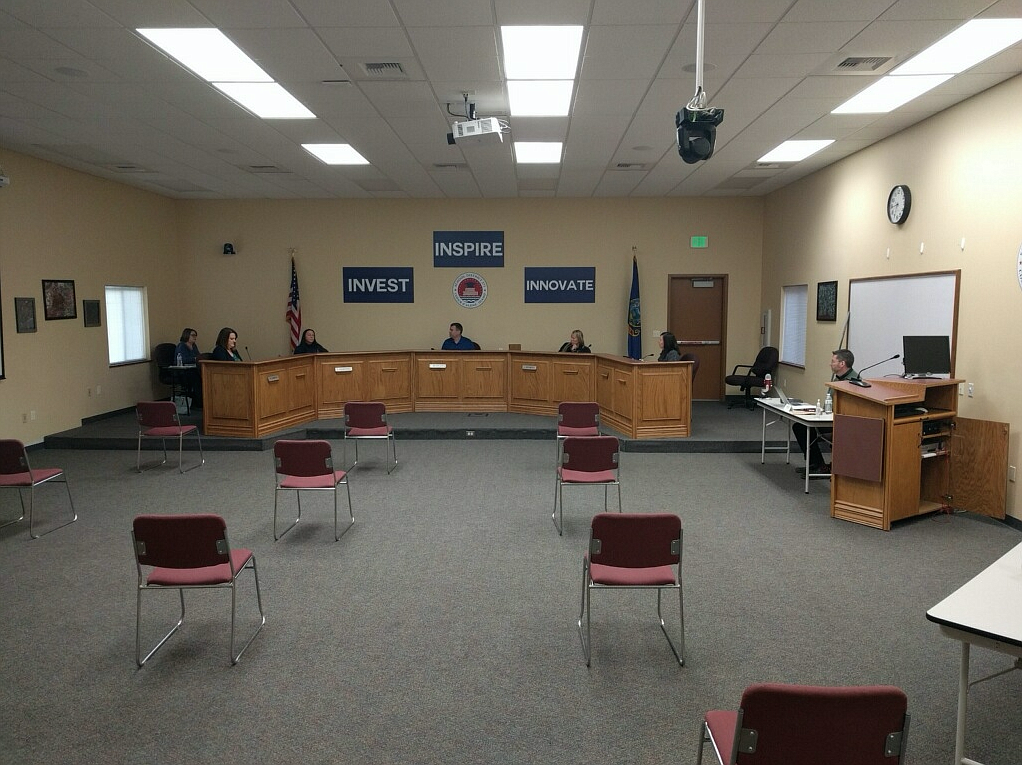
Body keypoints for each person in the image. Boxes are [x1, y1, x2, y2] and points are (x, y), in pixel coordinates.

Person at [794, 348, 861, 475]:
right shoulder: (838, 379)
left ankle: (819, 466)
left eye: (833, 361)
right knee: (799, 426)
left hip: (840, 423)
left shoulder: (853, 382)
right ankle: (816, 464)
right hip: (828, 417)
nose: (830, 364)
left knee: (803, 428)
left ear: (842, 364)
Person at [173, 328, 203, 406]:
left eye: (196, 335)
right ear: (186, 335)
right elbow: (183, 359)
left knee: (202, 375)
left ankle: (199, 399)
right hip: (183, 372)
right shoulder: (181, 346)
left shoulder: (194, 346)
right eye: (193, 335)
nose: (195, 337)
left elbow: (198, 356)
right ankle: (199, 401)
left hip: (193, 369)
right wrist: (194, 359)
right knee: (196, 378)